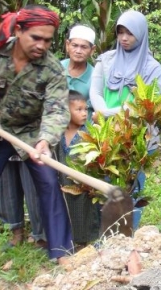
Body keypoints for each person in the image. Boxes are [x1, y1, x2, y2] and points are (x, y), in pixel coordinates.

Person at [0, 5, 73, 264]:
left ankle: (61, 252)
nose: (42, 45)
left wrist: (45, 140)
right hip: (0, 129)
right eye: (36, 38)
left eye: (48, 40)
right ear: (19, 31)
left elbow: (57, 110)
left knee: (50, 184)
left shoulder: (52, 69)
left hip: (33, 133)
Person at [90, 10, 161, 230]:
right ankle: (108, 237)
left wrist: (106, 114)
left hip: (137, 139)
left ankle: (127, 237)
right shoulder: (105, 60)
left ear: (140, 34)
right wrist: (103, 111)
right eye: (120, 32)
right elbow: (95, 92)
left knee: (133, 190)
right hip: (107, 137)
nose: (124, 38)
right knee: (106, 188)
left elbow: (142, 106)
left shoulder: (153, 68)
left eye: (130, 33)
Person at [55, 90, 99, 247]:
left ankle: (84, 243)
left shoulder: (89, 132)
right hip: (63, 184)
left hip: (84, 184)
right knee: (66, 212)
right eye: (78, 109)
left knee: (84, 213)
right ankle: (67, 242)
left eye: (85, 109)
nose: (84, 113)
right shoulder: (58, 133)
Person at [0, 157, 46, 250]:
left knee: (33, 189)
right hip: (4, 144)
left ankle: (41, 237)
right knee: (6, 185)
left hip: (28, 145)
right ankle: (17, 232)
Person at [62, 25, 96, 116]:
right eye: (74, 45)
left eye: (84, 47)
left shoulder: (96, 77)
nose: (78, 51)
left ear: (92, 50)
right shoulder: (57, 68)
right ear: (67, 45)